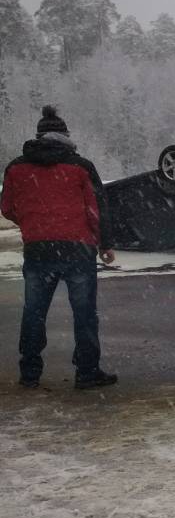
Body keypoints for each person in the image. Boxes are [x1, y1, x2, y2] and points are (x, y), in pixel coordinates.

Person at [1, 105, 118, 389]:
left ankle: (30, 373)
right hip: (78, 249)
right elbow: (96, 208)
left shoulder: (17, 167)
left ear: (39, 135)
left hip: (38, 248)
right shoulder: (80, 167)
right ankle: (87, 372)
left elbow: (6, 208)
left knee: (34, 312)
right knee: (84, 313)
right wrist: (105, 244)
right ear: (65, 136)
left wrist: (32, 223)